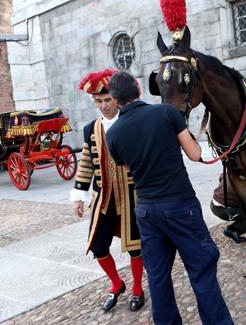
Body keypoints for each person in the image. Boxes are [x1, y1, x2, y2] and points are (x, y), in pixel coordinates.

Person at [106, 72, 233, 325]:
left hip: (146, 211)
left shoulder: (113, 134)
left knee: (157, 276)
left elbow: (129, 168)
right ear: (139, 89)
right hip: (179, 206)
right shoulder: (166, 113)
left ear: (115, 100)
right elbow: (196, 154)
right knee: (201, 270)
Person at [69, 69, 145, 312]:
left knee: (135, 246)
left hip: (132, 196)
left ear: (117, 99)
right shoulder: (91, 128)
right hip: (104, 198)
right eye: (98, 101)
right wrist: (79, 195)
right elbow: (87, 161)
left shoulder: (132, 121)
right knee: (98, 246)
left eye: (107, 100)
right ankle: (116, 283)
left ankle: (137, 288)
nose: (103, 105)